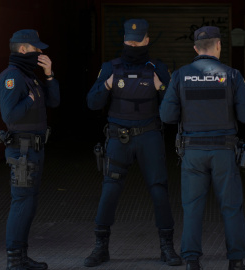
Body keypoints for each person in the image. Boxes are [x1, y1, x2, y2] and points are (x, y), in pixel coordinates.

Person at [85, 19, 181, 268]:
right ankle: (100, 247)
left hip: (149, 136)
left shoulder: (158, 67)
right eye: (129, 41)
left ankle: (167, 248)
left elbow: (173, 110)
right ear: (124, 40)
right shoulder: (110, 68)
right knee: (110, 190)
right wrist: (106, 85)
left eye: (138, 41)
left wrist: (161, 89)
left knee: (159, 190)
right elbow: (92, 103)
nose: (133, 45)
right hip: (119, 137)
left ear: (147, 40)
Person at [160, 26, 245, 270]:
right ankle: (236, 262)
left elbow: (167, 116)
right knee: (231, 207)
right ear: (219, 46)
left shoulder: (180, 75)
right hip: (224, 151)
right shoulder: (232, 75)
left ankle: (192, 260)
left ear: (195, 49)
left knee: (192, 208)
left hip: (192, 152)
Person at [0, 29, 60, 270]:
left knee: (29, 203)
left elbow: (54, 102)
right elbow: (9, 115)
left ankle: (21, 257)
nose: (40, 52)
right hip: (21, 151)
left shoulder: (29, 77)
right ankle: (14, 260)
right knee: (22, 202)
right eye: (36, 49)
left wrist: (49, 75)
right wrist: (31, 100)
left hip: (34, 149)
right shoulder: (11, 77)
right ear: (23, 49)